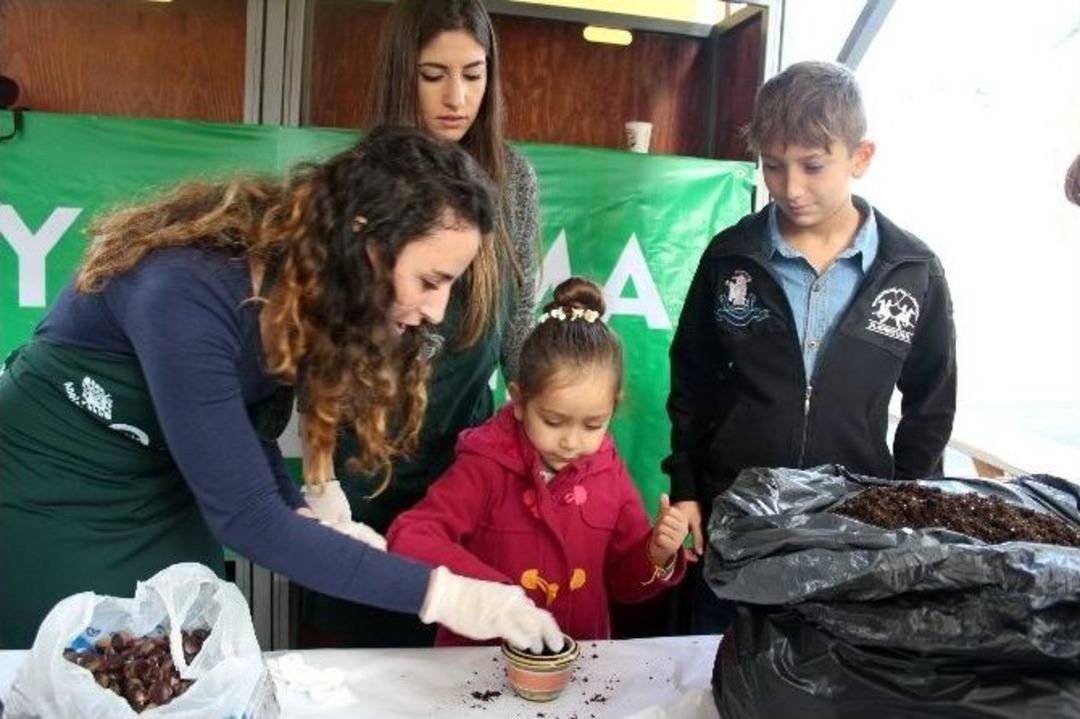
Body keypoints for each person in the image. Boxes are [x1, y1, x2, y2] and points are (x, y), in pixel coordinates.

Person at [0, 125, 563, 655]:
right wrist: (447, 596)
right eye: (430, 281)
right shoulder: (184, 292)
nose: (436, 310)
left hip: (160, 485)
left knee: (187, 650)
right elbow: (246, 519)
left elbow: (237, 430)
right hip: (50, 488)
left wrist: (309, 518)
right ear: (364, 240)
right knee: (76, 666)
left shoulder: (296, 289)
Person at [664, 61, 957, 632]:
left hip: (854, 532)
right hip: (737, 521)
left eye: (812, 166)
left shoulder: (913, 270)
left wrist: (911, 505)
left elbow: (932, 402)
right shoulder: (731, 257)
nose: (790, 188)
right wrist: (685, 489)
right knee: (714, 673)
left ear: (860, 157)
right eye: (773, 166)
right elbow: (691, 380)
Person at [302, 0, 542, 647]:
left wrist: (548, 437)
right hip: (363, 480)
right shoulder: (358, 188)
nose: (457, 96)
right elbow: (320, 366)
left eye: (474, 73)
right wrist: (323, 484)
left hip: (463, 479)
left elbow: (518, 334)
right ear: (400, 75)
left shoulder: (513, 179)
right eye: (434, 74)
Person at [386, 278, 690, 644]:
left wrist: (657, 553)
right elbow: (411, 537)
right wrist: (494, 596)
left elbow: (625, 585)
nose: (571, 442)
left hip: (576, 671)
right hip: (478, 667)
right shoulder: (485, 465)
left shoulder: (609, 473)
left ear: (613, 408)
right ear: (518, 400)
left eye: (593, 424)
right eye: (553, 421)